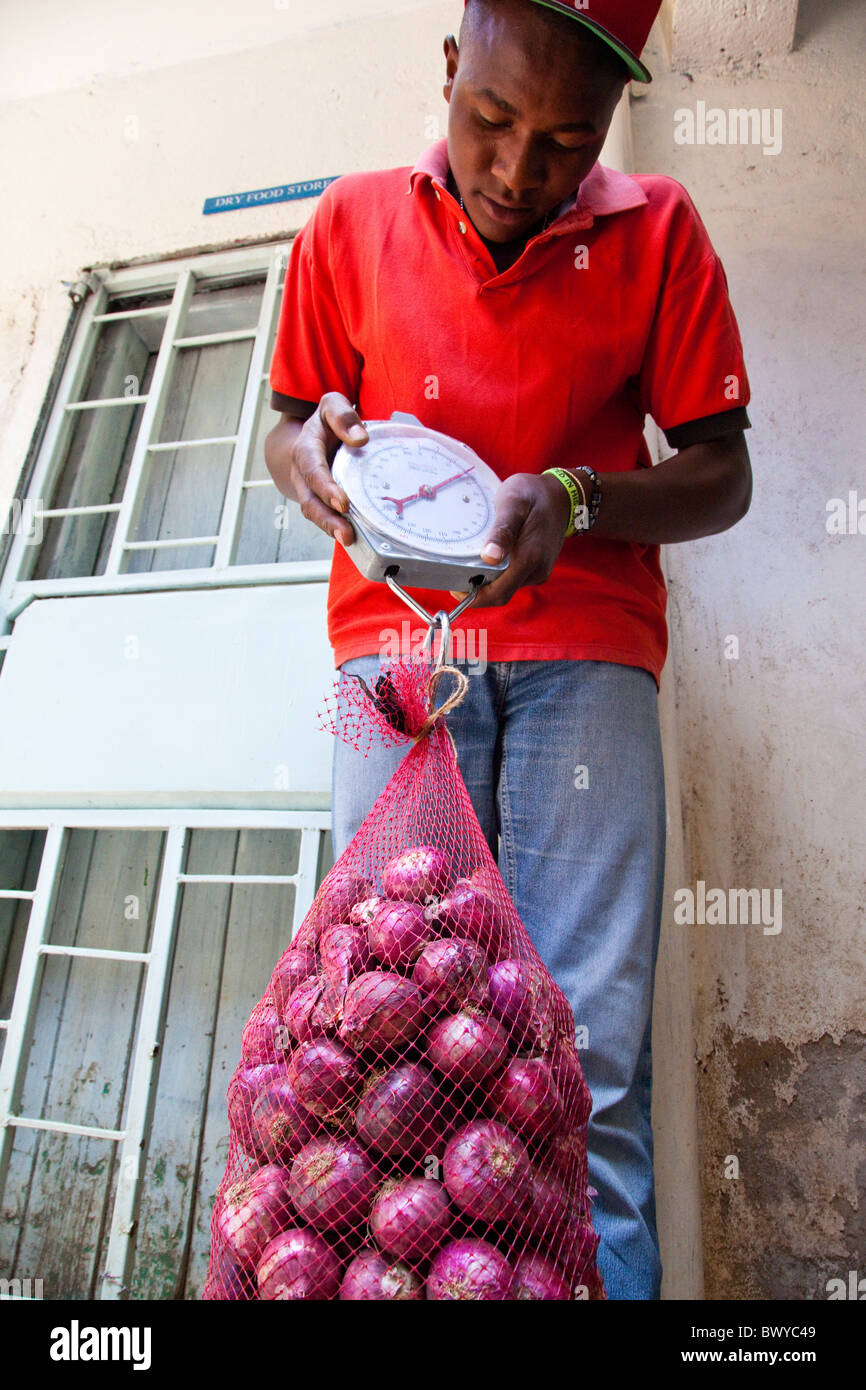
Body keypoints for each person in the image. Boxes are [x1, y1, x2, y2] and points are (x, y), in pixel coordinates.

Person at [264, 0, 752, 1300]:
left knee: (579, 1054)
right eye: (488, 118)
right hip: (395, 655)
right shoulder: (348, 222)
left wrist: (580, 498)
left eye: (563, 139)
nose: (516, 170)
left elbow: (720, 476)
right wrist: (309, 462)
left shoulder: (657, 231)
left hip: (584, 650)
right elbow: (287, 426)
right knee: (383, 1040)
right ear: (447, 70)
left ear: (607, 126)